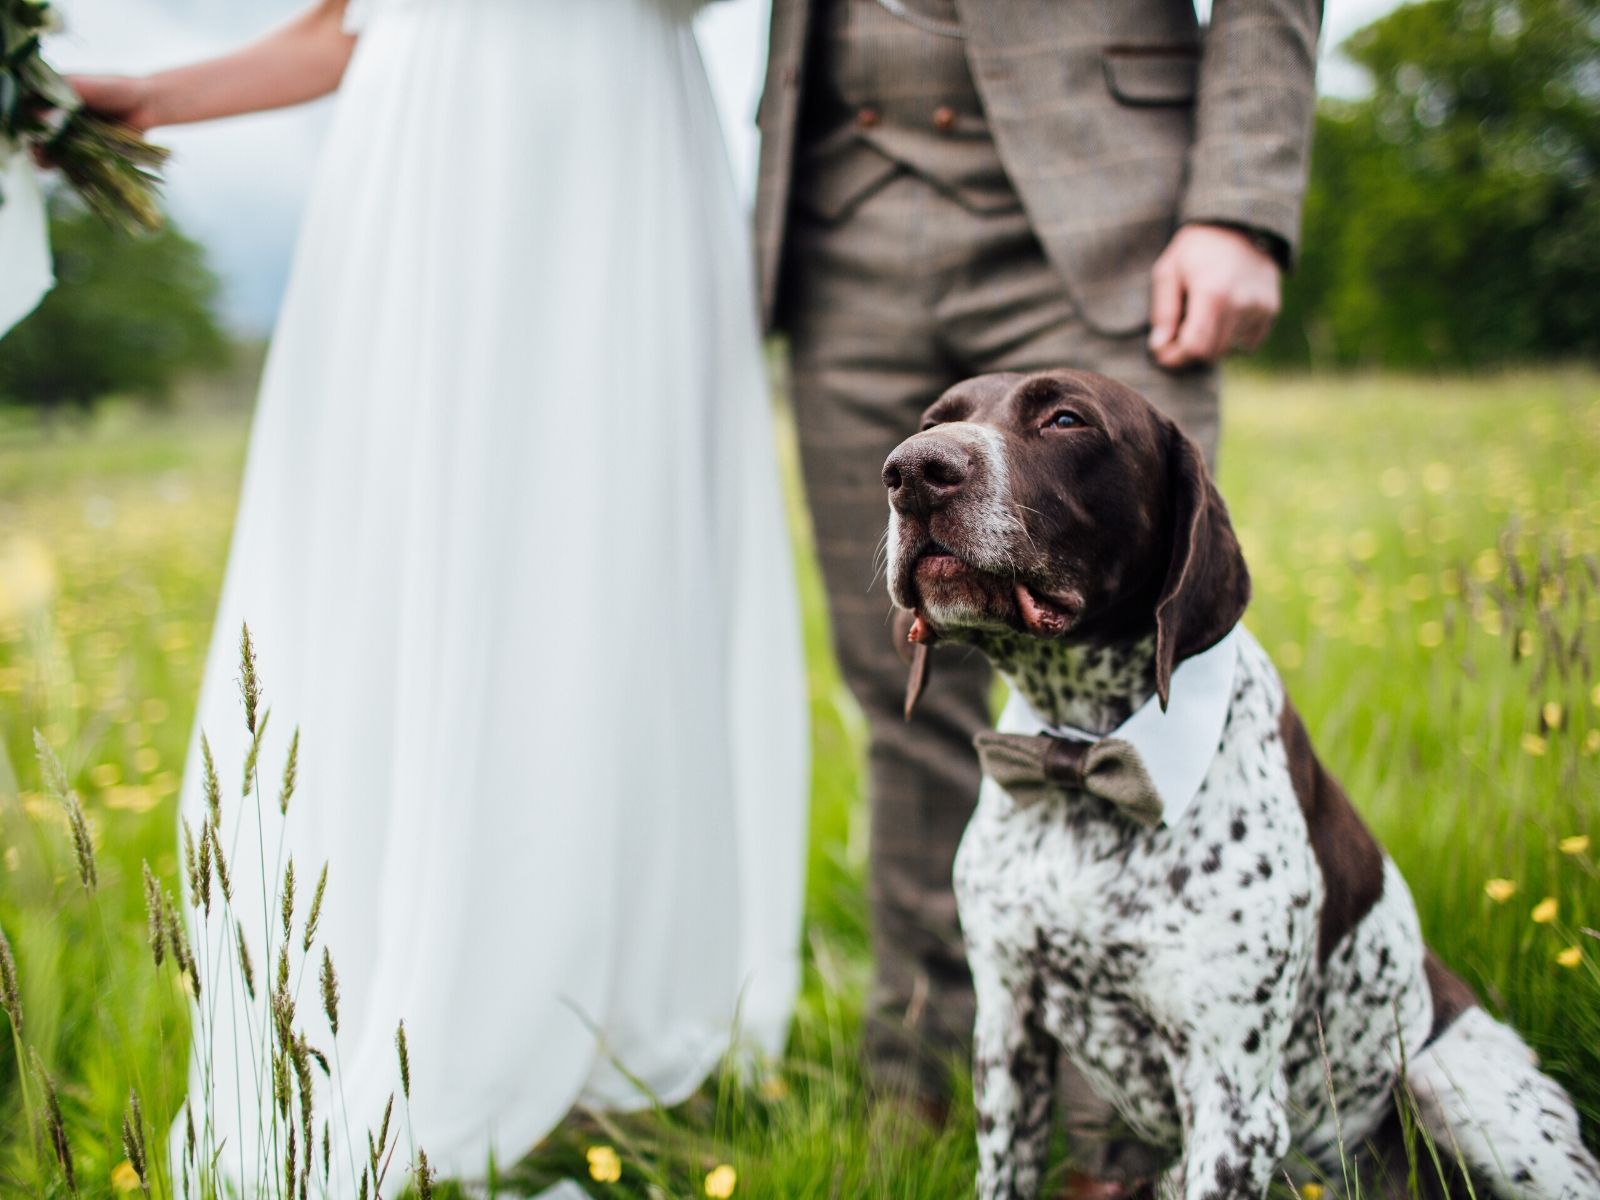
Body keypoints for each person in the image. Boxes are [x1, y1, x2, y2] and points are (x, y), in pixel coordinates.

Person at [71, 0, 808, 1187]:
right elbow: (344, 23)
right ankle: (399, 1003)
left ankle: (598, 1020)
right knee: (406, 558)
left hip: (620, 145)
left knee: (616, 578)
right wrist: (149, 100)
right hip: (433, 152)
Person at [754, 0, 1319, 1186]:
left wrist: (1242, 198)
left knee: (1144, 679)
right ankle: (913, 1085)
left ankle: (1119, 1156)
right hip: (836, 212)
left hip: (1102, 200)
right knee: (895, 689)